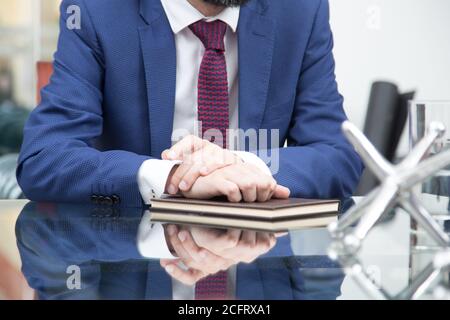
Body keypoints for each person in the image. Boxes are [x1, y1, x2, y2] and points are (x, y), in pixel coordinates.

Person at [16, 0, 363, 289]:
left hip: (259, 263)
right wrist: (172, 177)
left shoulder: (299, 11)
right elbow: (45, 156)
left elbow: (338, 155)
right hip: (129, 259)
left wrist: (243, 168)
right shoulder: (97, 10)